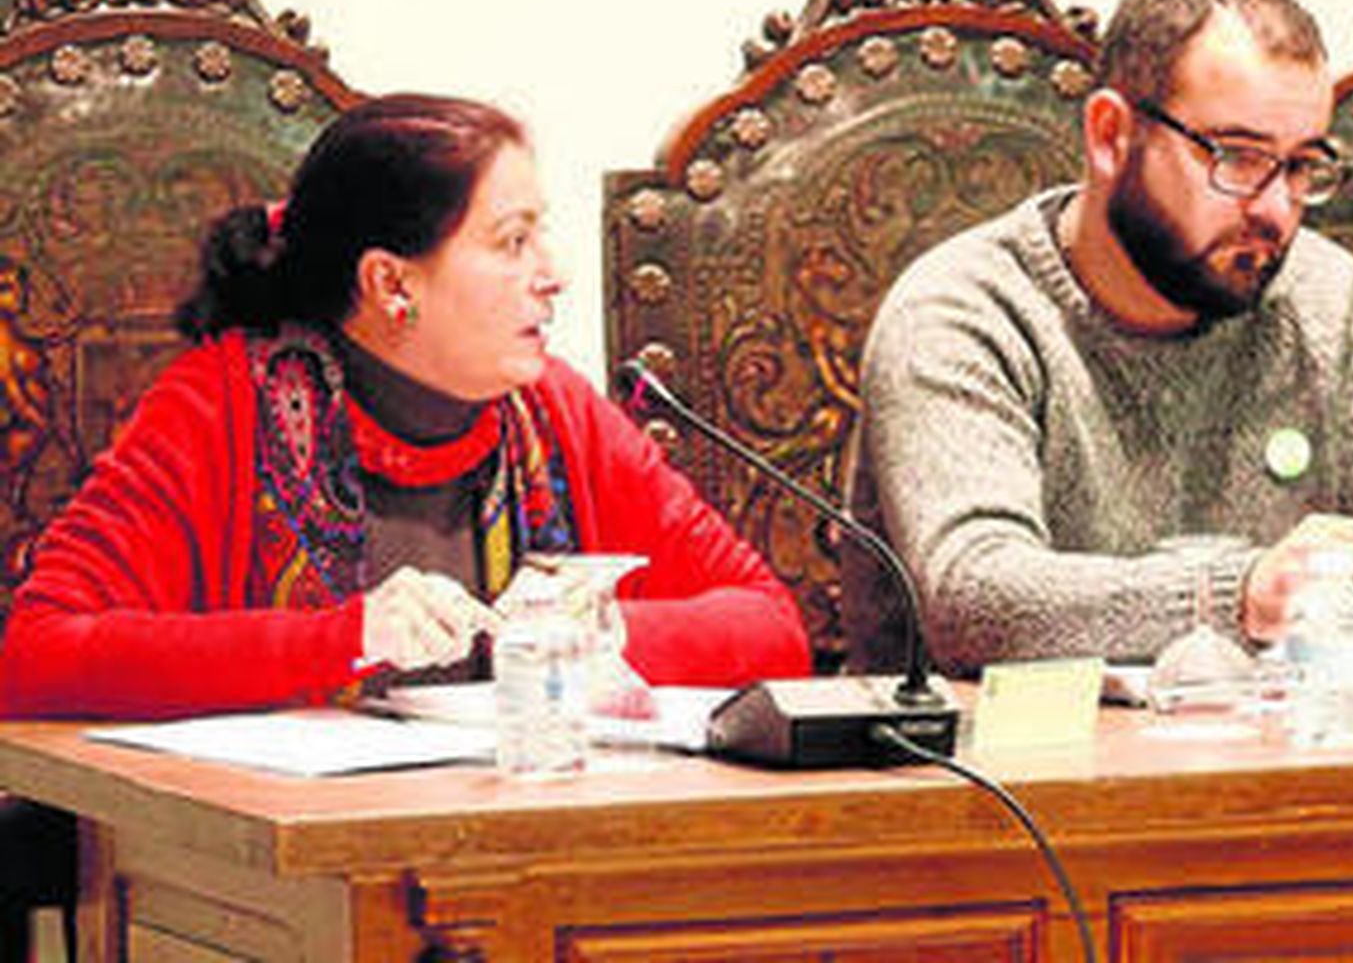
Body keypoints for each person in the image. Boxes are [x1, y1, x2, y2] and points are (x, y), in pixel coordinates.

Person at [0, 93, 811, 717]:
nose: (552, 273)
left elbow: (773, 627)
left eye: (542, 235)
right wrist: (340, 639)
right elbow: (37, 654)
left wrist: (605, 634)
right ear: (392, 282)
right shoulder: (219, 406)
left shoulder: (553, 409)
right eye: (511, 242)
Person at [844, 0, 1353, 676]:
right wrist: (1237, 596)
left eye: (1300, 168)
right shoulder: (962, 309)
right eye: (1238, 157)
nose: (1275, 209)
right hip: (998, 772)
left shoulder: (1321, 293)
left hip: (1278, 764)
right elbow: (975, 599)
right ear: (1110, 135)